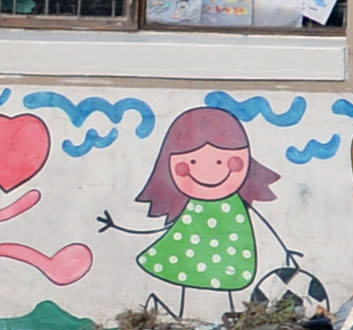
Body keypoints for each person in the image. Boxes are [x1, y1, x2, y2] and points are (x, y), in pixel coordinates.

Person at [104, 104, 283, 316]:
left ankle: (224, 321)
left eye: (220, 161)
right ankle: (188, 320)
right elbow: (166, 231)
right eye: (192, 161)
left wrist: (285, 250)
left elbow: (263, 221)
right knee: (188, 294)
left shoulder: (234, 205)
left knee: (227, 294)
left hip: (229, 261)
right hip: (191, 262)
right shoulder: (193, 207)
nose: (209, 171)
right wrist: (119, 227)